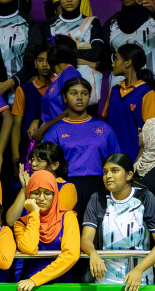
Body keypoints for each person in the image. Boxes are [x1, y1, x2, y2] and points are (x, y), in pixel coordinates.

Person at [79, 153, 155, 291]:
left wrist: (138, 270)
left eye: (114, 171)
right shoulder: (97, 199)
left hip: (140, 280)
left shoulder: (145, 198)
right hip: (104, 281)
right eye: (105, 172)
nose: (108, 176)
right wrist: (93, 253)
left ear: (129, 175)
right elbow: (85, 239)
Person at [48, 76, 120, 208]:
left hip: (99, 186)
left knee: (96, 227)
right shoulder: (56, 130)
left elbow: (117, 161)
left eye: (84, 93)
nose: (79, 97)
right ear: (65, 98)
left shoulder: (104, 128)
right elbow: (46, 165)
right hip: (66, 185)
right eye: (74, 93)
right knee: (70, 226)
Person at [13, 169, 82, 291]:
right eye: (35, 193)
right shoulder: (21, 223)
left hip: (61, 287)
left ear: (55, 194)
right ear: (28, 194)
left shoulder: (68, 217)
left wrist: (36, 280)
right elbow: (29, 248)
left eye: (47, 193)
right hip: (28, 289)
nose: (41, 198)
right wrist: (34, 214)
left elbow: (71, 255)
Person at [99, 42, 155, 159]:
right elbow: (105, 123)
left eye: (116, 59)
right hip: (111, 156)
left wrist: (137, 163)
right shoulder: (114, 90)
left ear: (128, 62)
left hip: (133, 157)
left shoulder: (147, 92)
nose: (112, 64)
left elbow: (149, 134)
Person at [48, 0, 106, 73]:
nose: (69, 0)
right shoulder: (48, 25)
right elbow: (48, 55)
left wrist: (61, 51)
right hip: (58, 82)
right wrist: (85, 48)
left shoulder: (92, 22)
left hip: (87, 82)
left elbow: (98, 52)